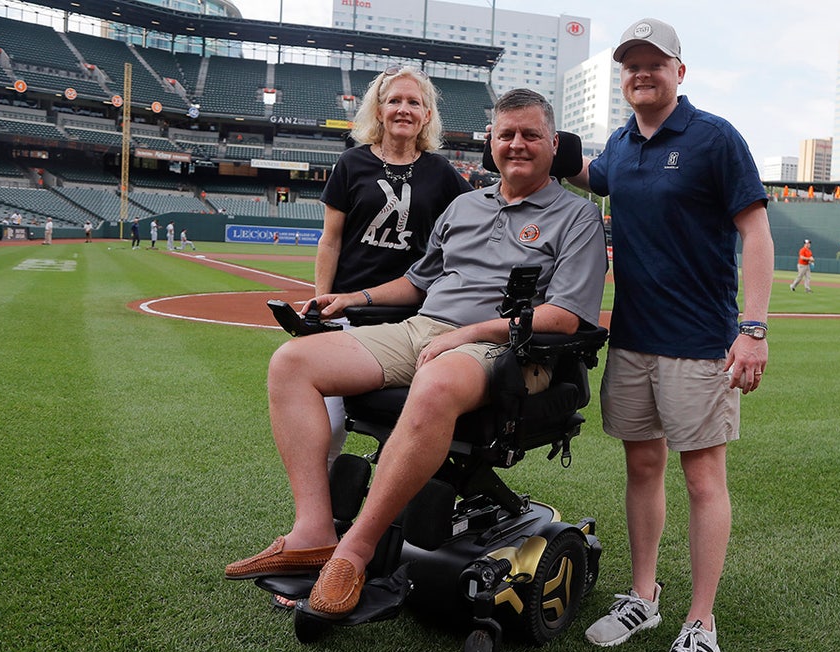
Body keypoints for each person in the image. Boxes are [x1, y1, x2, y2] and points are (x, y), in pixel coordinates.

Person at [224, 89, 608, 623]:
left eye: (530, 135)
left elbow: (565, 317)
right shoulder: (465, 204)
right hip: (424, 329)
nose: (517, 145)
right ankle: (314, 531)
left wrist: (466, 334)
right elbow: (417, 281)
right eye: (506, 135)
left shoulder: (579, 217)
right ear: (491, 143)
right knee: (294, 362)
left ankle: (353, 551)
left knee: (437, 380)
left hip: (513, 350)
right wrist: (352, 299)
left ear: (553, 144)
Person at [568, 18, 773, 652]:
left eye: (655, 62)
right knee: (642, 468)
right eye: (631, 64)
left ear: (679, 71)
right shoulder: (621, 147)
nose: (642, 73)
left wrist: (754, 326)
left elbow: (758, 234)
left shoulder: (714, 137)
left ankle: (700, 623)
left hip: (699, 342)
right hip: (632, 339)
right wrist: (531, 139)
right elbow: (589, 175)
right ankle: (645, 595)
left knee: (703, 478)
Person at [314, 64, 473, 471]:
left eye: (414, 102)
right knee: (331, 426)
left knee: (407, 424)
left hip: (413, 318)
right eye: (394, 100)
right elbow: (330, 240)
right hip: (350, 312)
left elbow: (478, 214)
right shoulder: (351, 163)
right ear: (379, 110)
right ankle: (325, 519)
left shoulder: (440, 171)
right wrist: (321, 301)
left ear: (427, 116)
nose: (404, 109)